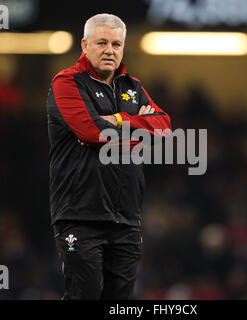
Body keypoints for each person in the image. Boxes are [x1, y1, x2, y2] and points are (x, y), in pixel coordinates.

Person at [46, 13, 171, 300]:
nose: (109, 50)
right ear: (84, 45)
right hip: (80, 215)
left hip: (126, 217)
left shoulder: (132, 87)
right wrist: (139, 127)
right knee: (85, 294)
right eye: (102, 43)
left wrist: (115, 119)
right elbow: (91, 132)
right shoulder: (67, 83)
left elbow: (164, 130)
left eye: (116, 44)